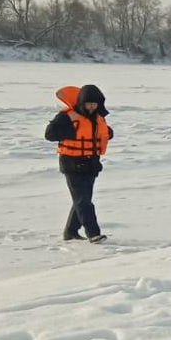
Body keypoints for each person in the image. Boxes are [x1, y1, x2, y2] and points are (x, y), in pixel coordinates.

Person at [44, 84, 113, 243]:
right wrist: (72, 132)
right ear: (82, 102)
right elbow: (49, 134)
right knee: (83, 201)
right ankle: (93, 233)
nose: (92, 106)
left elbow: (105, 133)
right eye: (89, 103)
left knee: (83, 200)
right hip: (71, 163)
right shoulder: (67, 116)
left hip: (91, 163)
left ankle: (70, 232)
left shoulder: (98, 118)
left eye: (95, 103)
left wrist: (108, 134)